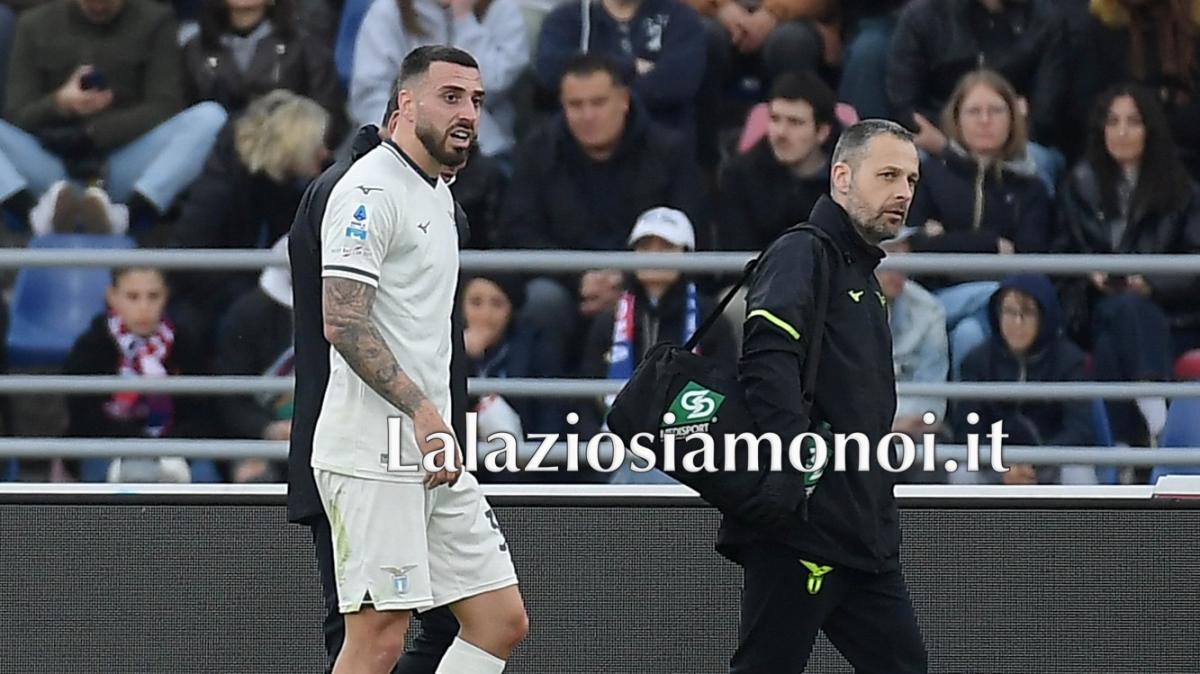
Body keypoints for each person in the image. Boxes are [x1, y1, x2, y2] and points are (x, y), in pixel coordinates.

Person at [291, 45, 527, 674]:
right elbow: (341, 319)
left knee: (500, 622)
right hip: (373, 451)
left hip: (428, 450)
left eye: (476, 101)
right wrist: (423, 411)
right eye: (451, 97)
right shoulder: (366, 188)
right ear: (404, 103)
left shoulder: (440, 194)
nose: (468, 113)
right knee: (377, 642)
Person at [720, 118, 927, 673]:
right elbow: (765, 359)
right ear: (841, 177)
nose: (903, 192)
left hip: (864, 530)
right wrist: (797, 463)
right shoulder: (802, 252)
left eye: (910, 179)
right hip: (804, 527)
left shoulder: (860, 271)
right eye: (887, 175)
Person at [1054, 83, 1200, 455]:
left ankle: (1125, 447)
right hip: (1096, 308)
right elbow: (1061, 253)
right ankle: (1156, 420)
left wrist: (1151, 284)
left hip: (1170, 315)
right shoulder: (1078, 184)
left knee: (1118, 331)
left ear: (1150, 129)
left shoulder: (1182, 189)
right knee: (1118, 314)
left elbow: (1194, 260)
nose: (1121, 132)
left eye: (1133, 122)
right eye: (1112, 121)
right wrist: (1091, 275)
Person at [63, 267, 214, 483]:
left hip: (177, 447)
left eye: (153, 296)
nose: (144, 307)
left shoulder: (184, 342)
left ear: (166, 296)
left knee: (205, 481)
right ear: (112, 297)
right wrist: (138, 445)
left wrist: (168, 449)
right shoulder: (91, 345)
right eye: (132, 297)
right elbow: (84, 417)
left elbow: (201, 412)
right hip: (109, 448)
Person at [951, 275, 1096, 485]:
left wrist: (1034, 462)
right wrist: (1002, 465)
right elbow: (967, 429)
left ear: (1045, 316)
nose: (1017, 322)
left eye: (1027, 312)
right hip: (994, 464)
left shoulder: (1070, 361)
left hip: (1050, 463)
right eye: (1009, 312)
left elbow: (1080, 430)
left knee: (1078, 472)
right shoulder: (977, 361)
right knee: (963, 472)